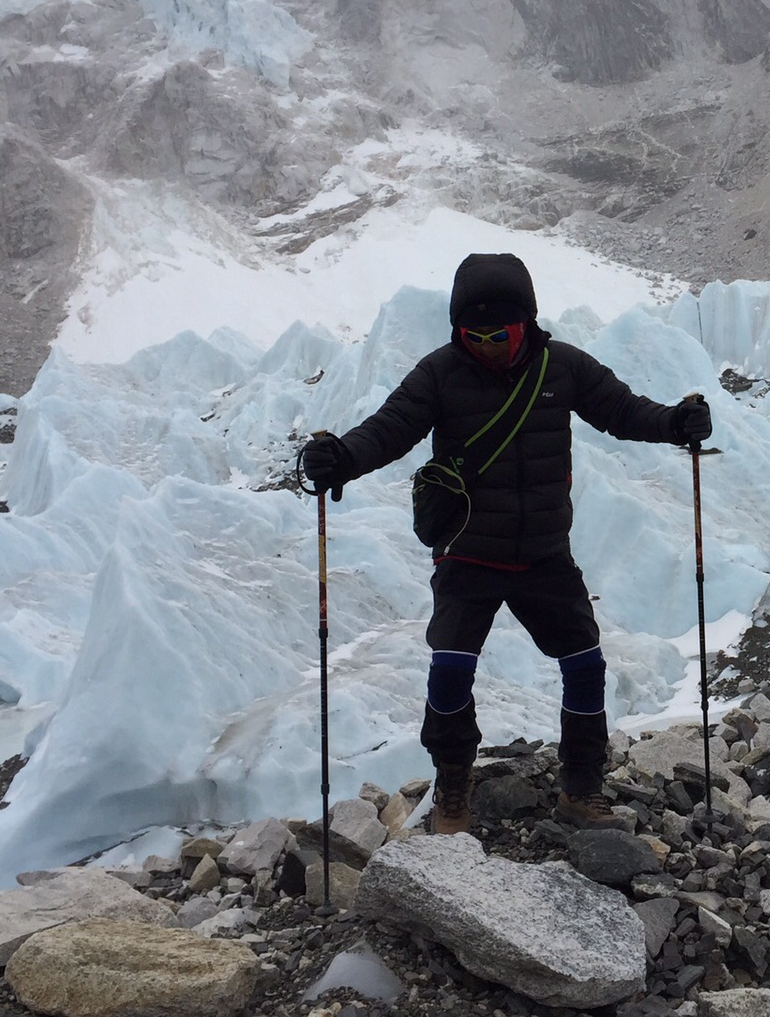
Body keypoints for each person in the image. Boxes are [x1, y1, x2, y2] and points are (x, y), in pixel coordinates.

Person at [298, 252, 712, 835]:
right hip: (468, 550)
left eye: (500, 332)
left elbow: (621, 410)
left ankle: (581, 790)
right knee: (449, 671)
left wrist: (675, 423)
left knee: (585, 665)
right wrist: (339, 458)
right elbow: (389, 429)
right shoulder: (441, 373)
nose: (487, 344)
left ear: (527, 323)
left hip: (544, 552)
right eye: (474, 334)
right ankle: (453, 787)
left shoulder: (561, 367)